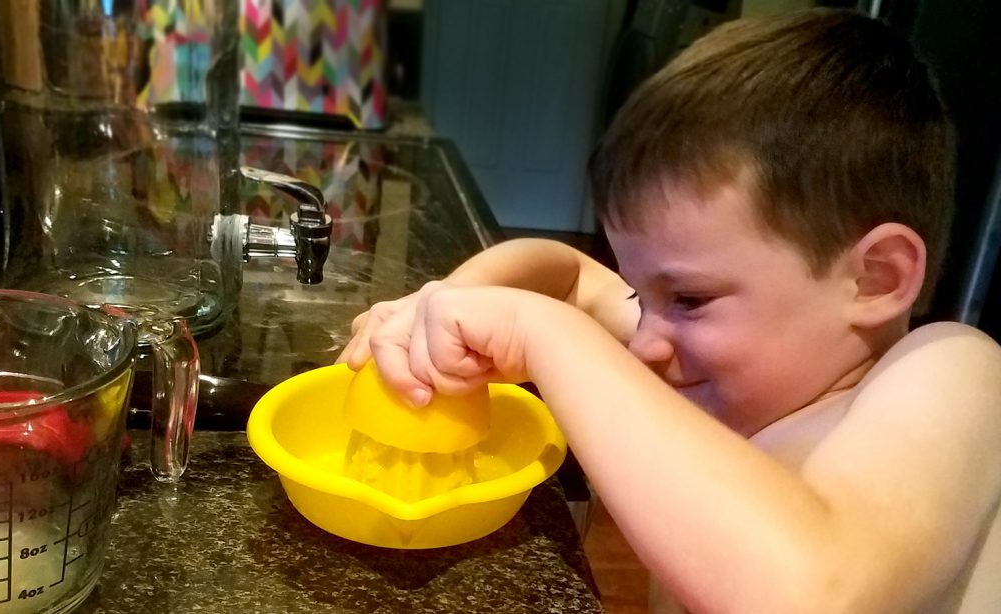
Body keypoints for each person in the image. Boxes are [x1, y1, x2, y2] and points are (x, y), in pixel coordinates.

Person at [337, 8, 1001, 613]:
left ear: (876, 277)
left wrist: (543, 331)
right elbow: (567, 278)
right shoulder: (704, 353)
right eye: (638, 292)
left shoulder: (952, 375)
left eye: (687, 297)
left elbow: (814, 591)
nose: (647, 342)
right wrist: (445, 304)